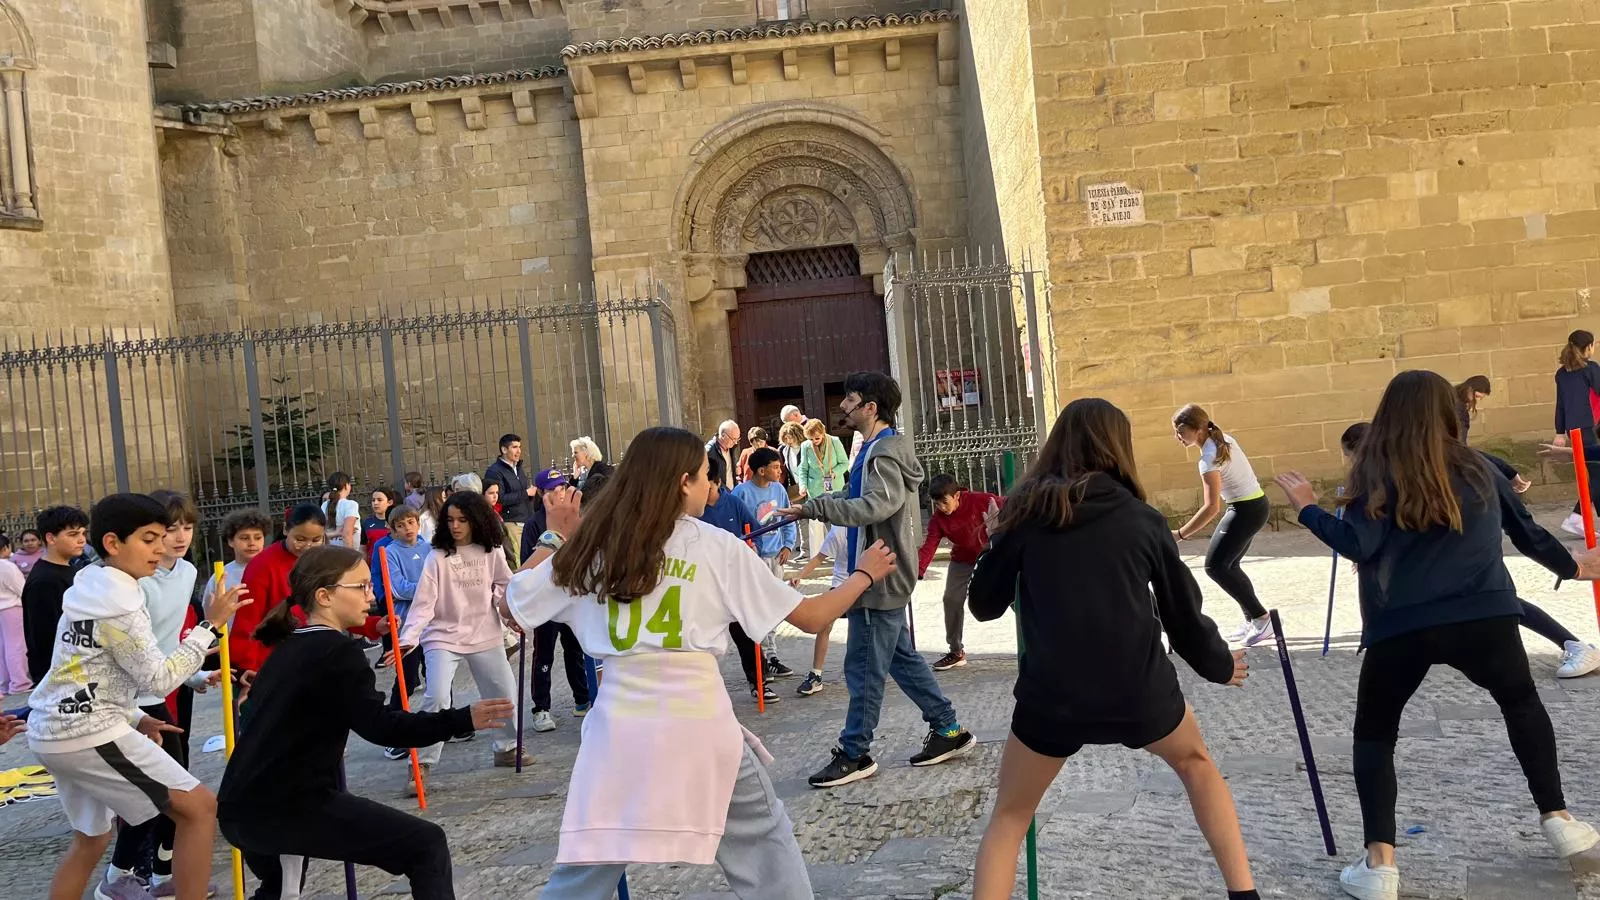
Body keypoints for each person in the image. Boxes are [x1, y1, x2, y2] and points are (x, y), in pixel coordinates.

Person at [500, 426, 897, 899]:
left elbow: (512, 603)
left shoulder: (593, 548)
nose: (713, 487)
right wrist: (863, 575)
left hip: (619, 731)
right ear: (681, 481)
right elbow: (811, 617)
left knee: (586, 869)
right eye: (707, 476)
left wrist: (558, 535)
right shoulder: (714, 545)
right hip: (699, 724)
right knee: (766, 851)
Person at [1277, 370, 1600, 900]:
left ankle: (1380, 863)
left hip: (1402, 623)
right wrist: (1575, 568)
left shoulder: (1376, 470)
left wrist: (1308, 506)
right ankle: (1559, 816)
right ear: (1449, 412)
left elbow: (1357, 544)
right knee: (1520, 702)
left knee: (1376, 735)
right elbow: (1527, 531)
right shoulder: (1479, 467)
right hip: (1485, 615)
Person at [967, 398, 1257, 900]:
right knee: (1197, 765)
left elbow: (983, 606)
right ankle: (1243, 894)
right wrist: (1217, 665)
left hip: (1053, 697)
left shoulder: (1025, 516)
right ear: (1119, 448)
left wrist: (995, 542)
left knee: (1010, 816)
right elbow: (1182, 615)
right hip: (1138, 689)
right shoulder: (1141, 519)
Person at [220, 546, 514, 900]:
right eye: (360, 587)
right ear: (324, 596)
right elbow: (382, 727)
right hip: (286, 805)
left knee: (280, 890)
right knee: (425, 844)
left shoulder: (288, 646)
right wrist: (461, 718)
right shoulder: (337, 651)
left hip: (245, 802)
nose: (371, 596)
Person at [27, 493, 249, 900]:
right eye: (149, 539)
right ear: (113, 543)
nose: (162, 548)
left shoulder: (90, 587)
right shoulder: (120, 603)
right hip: (84, 732)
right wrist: (209, 627)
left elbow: (81, 672)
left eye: (164, 537)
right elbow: (159, 680)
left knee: (91, 841)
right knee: (199, 809)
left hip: (55, 729)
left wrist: (134, 717)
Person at [781, 372, 976, 789]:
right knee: (901, 659)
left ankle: (855, 753)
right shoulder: (872, 448)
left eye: (850, 400)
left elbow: (873, 506)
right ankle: (948, 730)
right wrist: (809, 509)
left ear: (870, 408)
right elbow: (854, 497)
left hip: (878, 575)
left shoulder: (882, 454)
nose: (843, 407)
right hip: (878, 572)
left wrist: (820, 511)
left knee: (864, 669)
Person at [1341, 422, 1600, 679]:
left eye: (1348, 456)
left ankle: (1573, 644)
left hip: (1460, 541)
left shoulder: (1403, 461)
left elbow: (1476, 462)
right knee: (1486, 601)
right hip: (1441, 548)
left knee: (1496, 600)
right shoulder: (1395, 465)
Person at [104, 491, 213, 899]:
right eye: (168, 530)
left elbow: (165, 644)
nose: (179, 536)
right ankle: (122, 875)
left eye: (187, 527)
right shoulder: (131, 582)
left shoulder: (186, 573)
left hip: (160, 686)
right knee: (153, 793)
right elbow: (134, 651)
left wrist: (195, 676)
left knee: (176, 788)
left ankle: (160, 871)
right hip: (127, 698)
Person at [396, 490, 525, 790]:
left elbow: (505, 586)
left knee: (504, 691)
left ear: (476, 520)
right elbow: (423, 603)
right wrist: (408, 638)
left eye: (462, 520)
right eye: (450, 520)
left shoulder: (491, 551)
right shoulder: (436, 556)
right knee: (437, 696)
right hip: (442, 635)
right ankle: (422, 763)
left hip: (484, 631)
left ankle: (506, 748)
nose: (455, 526)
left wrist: (510, 616)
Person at [230, 505, 385, 687]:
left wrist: (374, 625)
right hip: (274, 665)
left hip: (316, 658)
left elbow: (339, 606)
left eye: (316, 539)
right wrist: (250, 670)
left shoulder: (325, 561)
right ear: (286, 530)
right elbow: (247, 624)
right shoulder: (261, 566)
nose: (308, 546)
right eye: (300, 539)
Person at [1171, 404, 1273, 647]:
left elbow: (1211, 507)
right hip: (1255, 505)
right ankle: (1252, 620)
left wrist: (1181, 534)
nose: (1177, 437)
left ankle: (1262, 619)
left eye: (1180, 431)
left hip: (1245, 510)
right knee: (1230, 565)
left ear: (1197, 430)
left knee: (1215, 567)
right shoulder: (1224, 439)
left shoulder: (1208, 458)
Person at [698, 475, 783, 705]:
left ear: (715, 482)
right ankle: (702, 690)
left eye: (706, 484)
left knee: (746, 634)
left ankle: (759, 682)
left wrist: (753, 549)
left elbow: (754, 532)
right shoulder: (694, 510)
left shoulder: (733, 502)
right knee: (704, 639)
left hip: (733, 580)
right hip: (706, 583)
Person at [916, 474, 1000, 672]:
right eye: (937, 504)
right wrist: (917, 571)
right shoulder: (938, 520)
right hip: (962, 559)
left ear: (957, 496)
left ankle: (1033, 642)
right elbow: (929, 546)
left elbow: (1010, 509)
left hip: (992, 554)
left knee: (1015, 596)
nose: (941, 508)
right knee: (951, 599)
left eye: (945, 502)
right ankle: (956, 651)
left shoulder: (982, 500)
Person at [379, 504, 431, 758]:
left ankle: (442, 726)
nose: (407, 529)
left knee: (437, 672)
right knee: (407, 679)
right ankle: (393, 734)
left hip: (431, 621)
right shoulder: (389, 552)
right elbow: (399, 588)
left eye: (411, 522)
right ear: (392, 530)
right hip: (406, 621)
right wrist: (427, 589)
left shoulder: (428, 548)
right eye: (400, 525)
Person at [21, 506, 89, 687]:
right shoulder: (45, 580)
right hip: (61, 675)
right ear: (51, 538)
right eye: (73, 534)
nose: (82, 540)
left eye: (83, 533)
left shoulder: (69, 569)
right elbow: (45, 637)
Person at [1548, 330, 1600, 537]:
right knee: (1597, 474)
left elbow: (1561, 405)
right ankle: (1577, 518)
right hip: (1591, 428)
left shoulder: (1562, 373)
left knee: (1594, 475)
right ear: (1588, 347)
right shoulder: (1591, 369)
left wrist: (1560, 432)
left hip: (1574, 430)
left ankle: (1577, 518)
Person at [788, 524, 849, 697]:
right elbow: (819, 558)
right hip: (841, 584)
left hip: (865, 583)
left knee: (868, 625)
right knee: (824, 624)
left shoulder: (870, 524)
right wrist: (799, 575)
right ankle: (816, 674)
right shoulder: (838, 531)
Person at [796, 418, 849, 565]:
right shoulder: (806, 446)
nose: (815, 441)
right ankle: (818, 555)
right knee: (818, 524)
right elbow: (803, 468)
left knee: (837, 521)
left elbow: (845, 463)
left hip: (834, 487)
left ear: (823, 432)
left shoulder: (835, 441)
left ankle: (841, 552)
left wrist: (835, 473)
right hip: (816, 490)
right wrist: (803, 485)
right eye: (811, 439)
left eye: (817, 438)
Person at [483, 433, 537, 567]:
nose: (518, 451)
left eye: (519, 447)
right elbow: (499, 498)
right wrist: (526, 493)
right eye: (514, 447)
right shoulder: (495, 471)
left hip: (526, 520)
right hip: (512, 522)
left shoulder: (518, 468)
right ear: (504, 450)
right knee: (520, 561)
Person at [0, 535, 31, 695]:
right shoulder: (6, 566)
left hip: (2, 609)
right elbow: (22, 589)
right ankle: (19, 682)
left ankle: (5, 683)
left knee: (4, 647)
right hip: (12, 607)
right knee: (16, 646)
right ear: (5, 548)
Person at [323, 473, 360, 550]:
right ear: (346, 485)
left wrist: (335, 533)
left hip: (329, 551)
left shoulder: (324, 505)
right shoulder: (350, 504)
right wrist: (351, 556)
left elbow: (321, 533)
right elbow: (347, 533)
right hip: (345, 554)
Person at [1454, 374, 1492, 442]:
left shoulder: (1455, 400)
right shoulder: (1457, 407)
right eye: (1477, 396)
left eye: (1480, 398)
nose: (1477, 400)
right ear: (1469, 389)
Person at [362, 487, 398, 558]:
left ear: (390, 502)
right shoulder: (367, 523)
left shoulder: (398, 522)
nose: (375, 503)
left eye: (379, 500)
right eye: (373, 500)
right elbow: (363, 549)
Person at [706, 420, 740, 491]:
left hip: (732, 492)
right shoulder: (709, 451)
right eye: (733, 439)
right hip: (719, 495)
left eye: (738, 439)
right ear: (723, 435)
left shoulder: (731, 447)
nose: (736, 443)